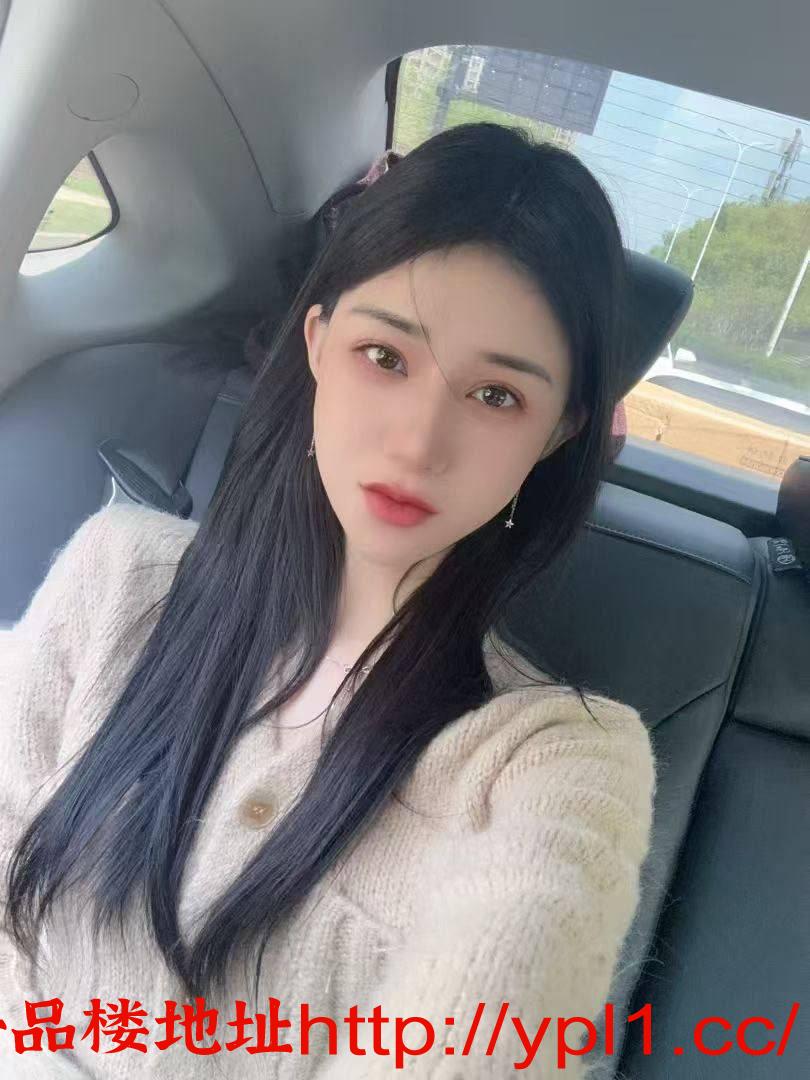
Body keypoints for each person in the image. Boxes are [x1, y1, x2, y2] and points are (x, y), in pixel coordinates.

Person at [0, 122, 657, 1078]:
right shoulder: (112, 579)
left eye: (496, 397)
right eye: (385, 357)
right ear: (317, 344)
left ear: (556, 434)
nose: (418, 443)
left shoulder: (556, 765)